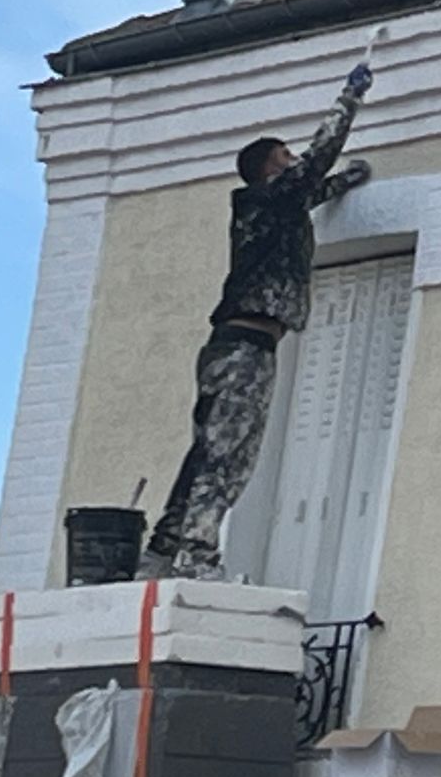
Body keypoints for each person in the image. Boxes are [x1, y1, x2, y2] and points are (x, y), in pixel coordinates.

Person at [138, 62, 376, 580]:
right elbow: (313, 167)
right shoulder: (264, 199)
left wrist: (347, 181)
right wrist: (349, 98)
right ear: (271, 171)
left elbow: (312, 190)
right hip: (246, 348)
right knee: (231, 451)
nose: (294, 163)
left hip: (236, 346)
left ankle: (161, 550)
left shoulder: (271, 209)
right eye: (284, 157)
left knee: (208, 448)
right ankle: (196, 556)